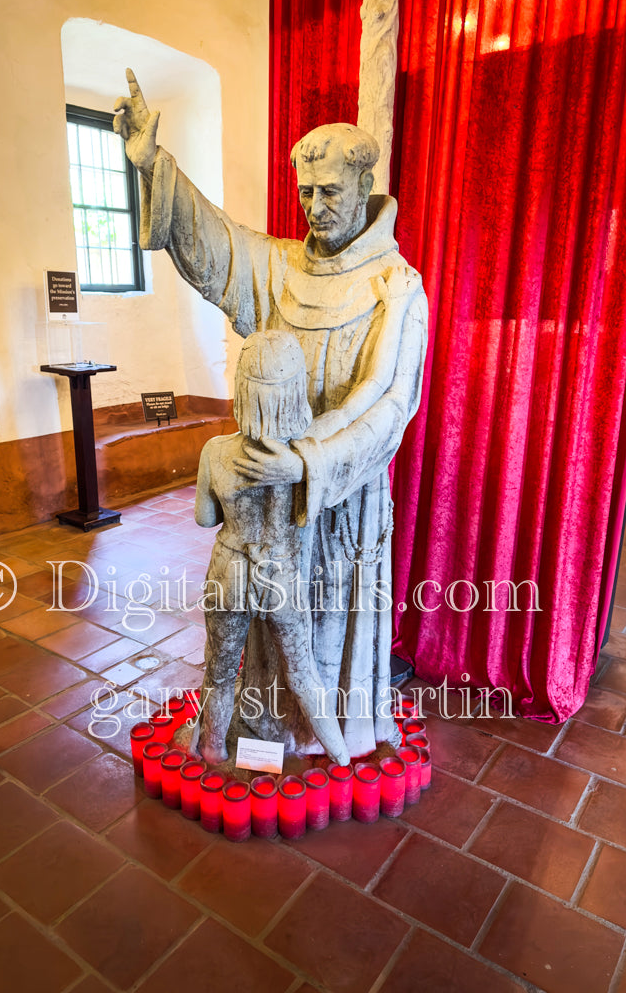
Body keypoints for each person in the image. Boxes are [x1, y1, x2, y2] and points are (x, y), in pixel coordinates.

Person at [114, 69, 428, 756]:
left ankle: (328, 740)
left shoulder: (397, 286)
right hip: (269, 494)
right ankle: (262, 730)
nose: (314, 207)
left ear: (363, 190)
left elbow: (394, 404)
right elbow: (215, 245)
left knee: (327, 629)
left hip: (339, 494)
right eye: (306, 192)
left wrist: (309, 461)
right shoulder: (280, 267)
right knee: (259, 640)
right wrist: (153, 166)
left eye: (330, 193)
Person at [192, 330, 350, 767]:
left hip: (229, 570)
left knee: (220, 669)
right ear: (293, 391)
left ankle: (212, 747)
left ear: (242, 388)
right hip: (280, 573)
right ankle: (340, 756)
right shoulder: (302, 457)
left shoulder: (216, 452)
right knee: (303, 674)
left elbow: (205, 518)